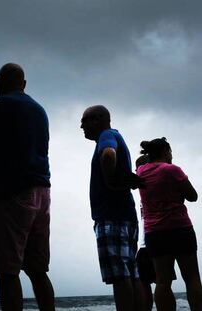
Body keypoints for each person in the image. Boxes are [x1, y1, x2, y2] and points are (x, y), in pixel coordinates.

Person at [0, 63, 54, 311]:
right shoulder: (40, 110)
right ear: (24, 84)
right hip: (42, 192)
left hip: (11, 193)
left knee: (7, 270)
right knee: (37, 270)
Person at [80, 105, 144, 311]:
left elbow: (108, 155)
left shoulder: (107, 136)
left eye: (85, 120)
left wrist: (110, 181)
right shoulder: (114, 136)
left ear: (99, 119)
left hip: (111, 216)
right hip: (126, 214)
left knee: (119, 275)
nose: (81, 126)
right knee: (131, 273)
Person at [137, 137, 202, 311]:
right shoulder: (172, 170)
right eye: (170, 151)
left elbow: (140, 169)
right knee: (192, 278)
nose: (171, 155)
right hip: (180, 228)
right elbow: (193, 196)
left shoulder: (141, 172)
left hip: (155, 233)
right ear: (165, 151)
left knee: (162, 281)